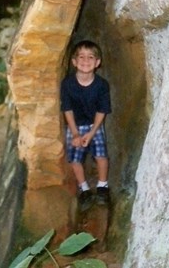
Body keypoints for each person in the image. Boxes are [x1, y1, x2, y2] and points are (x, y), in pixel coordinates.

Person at [60, 40, 112, 211]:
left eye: (91, 57)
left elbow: (102, 111)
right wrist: (75, 133)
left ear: (97, 63)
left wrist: (92, 133)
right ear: (74, 62)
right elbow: (67, 109)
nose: (85, 60)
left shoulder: (101, 85)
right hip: (75, 125)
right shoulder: (68, 84)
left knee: (101, 155)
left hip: (93, 125)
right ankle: (84, 189)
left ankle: (102, 186)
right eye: (81, 57)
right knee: (74, 159)